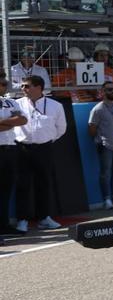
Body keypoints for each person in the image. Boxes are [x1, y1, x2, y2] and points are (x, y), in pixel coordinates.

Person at [13, 76, 66, 233]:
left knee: (43, 183)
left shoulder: (55, 106)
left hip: (44, 148)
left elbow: (61, 128)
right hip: (22, 148)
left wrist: (46, 140)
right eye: (23, 86)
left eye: (27, 86)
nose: (23, 89)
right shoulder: (17, 104)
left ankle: (44, 218)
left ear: (39, 88)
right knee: (23, 184)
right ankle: (22, 220)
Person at [88, 81, 113, 210]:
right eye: (109, 90)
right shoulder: (98, 109)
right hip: (105, 146)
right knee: (105, 173)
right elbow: (92, 128)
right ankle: (106, 200)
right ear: (103, 92)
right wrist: (100, 140)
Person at [0, 78, 27, 235]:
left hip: (10, 149)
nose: (5, 87)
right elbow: (15, 121)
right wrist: (11, 123)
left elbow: (22, 120)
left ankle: (3, 225)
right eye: (2, 84)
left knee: (6, 190)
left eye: (6, 84)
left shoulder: (10, 102)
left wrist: (3, 122)